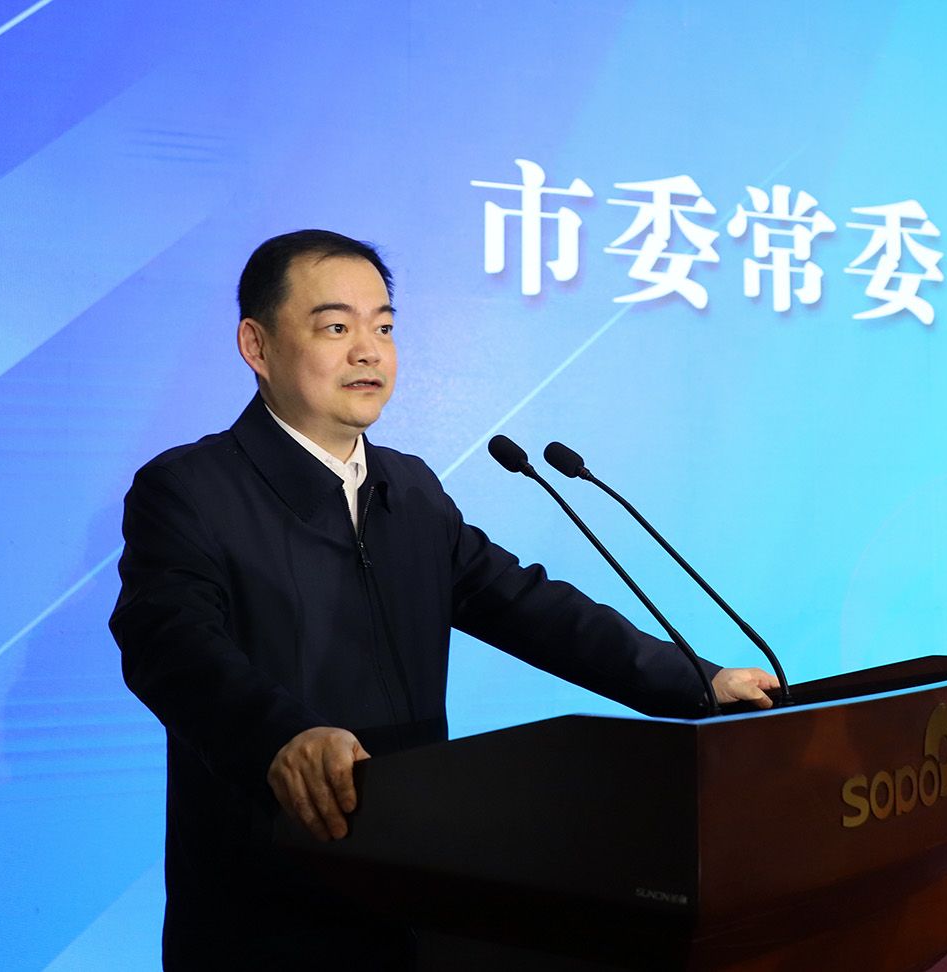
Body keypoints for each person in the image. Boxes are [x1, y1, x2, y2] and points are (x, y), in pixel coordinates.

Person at [109, 229, 779, 969]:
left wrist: (697, 682)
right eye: (336, 328)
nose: (368, 352)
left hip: (419, 901)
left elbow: (528, 606)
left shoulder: (411, 490)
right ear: (256, 346)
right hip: (266, 915)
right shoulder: (192, 490)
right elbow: (169, 644)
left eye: (383, 327)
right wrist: (279, 739)